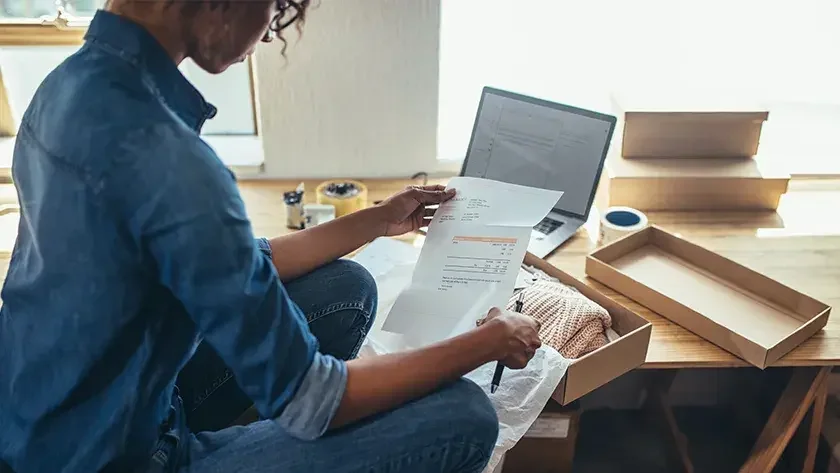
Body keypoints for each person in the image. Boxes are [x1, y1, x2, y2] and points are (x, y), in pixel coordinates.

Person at [0, 1, 542, 472]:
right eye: (275, 6)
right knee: (465, 417)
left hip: (56, 418)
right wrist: (487, 342)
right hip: (121, 458)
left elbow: (228, 265)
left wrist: (379, 218)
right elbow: (314, 400)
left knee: (347, 289)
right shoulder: (171, 161)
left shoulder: (65, 88)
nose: (267, 32)